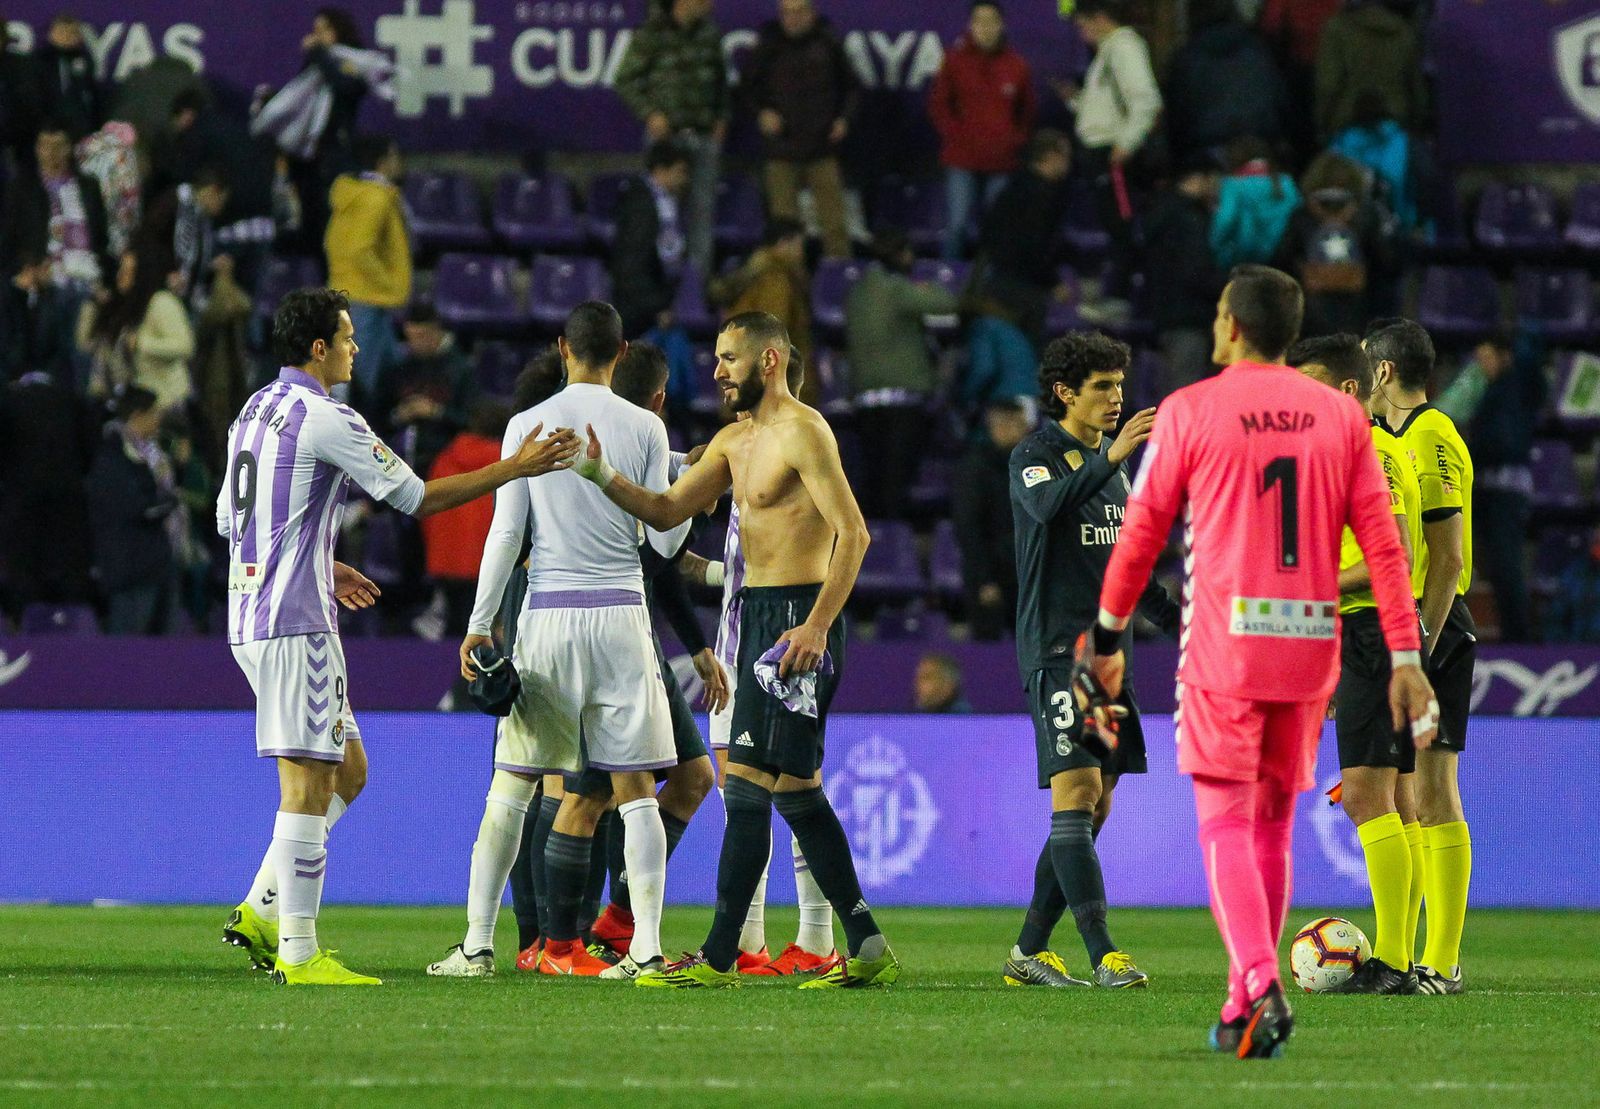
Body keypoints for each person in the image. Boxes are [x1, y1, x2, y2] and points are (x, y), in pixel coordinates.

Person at [1078, 265, 1437, 1057]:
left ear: (1233, 326)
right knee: (1272, 823)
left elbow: (1141, 536)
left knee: (1224, 820)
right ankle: (1243, 999)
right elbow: (1384, 544)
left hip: (1228, 644)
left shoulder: (1192, 409)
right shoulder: (1341, 416)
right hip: (1310, 644)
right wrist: (1407, 654)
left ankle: (1262, 982)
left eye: (1217, 312)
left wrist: (1105, 637)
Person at [218, 287, 578, 986]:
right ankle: (298, 952)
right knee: (307, 780)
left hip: (251, 613)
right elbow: (416, 496)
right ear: (318, 349)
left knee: (348, 770)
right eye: (347, 337)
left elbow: (237, 524)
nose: (357, 347)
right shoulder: (328, 417)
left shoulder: (254, 409)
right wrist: (516, 466)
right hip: (295, 621)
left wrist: (320, 560)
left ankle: (263, 909)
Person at [576, 311, 899, 989]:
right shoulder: (732, 440)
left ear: (769, 360)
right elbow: (666, 512)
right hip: (757, 619)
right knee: (795, 790)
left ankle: (721, 956)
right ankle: (867, 943)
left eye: (729, 358)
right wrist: (601, 474)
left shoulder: (805, 431)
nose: (717, 371)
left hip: (798, 622)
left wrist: (816, 626)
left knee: (749, 784)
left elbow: (855, 534)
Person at [439, 302, 688, 979]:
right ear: (622, 352)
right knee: (637, 791)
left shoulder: (527, 424)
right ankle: (646, 950)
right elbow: (667, 541)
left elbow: (505, 534)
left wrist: (480, 622)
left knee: (512, 786)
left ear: (563, 348)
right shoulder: (646, 426)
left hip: (548, 614)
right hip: (621, 617)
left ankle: (477, 946)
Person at [1002, 331, 1174, 990]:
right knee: (1076, 793)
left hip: (1107, 661)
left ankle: (1027, 951)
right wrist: (1113, 457)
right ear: (1065, 393)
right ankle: (1104, 954)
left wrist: (1185, 624)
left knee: (1095, 805)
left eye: (1119, 386)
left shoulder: (1113, 470)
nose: (1115, 397)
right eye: (1102, 386)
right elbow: (1047, 507)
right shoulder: (1034, 455)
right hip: (1057, 651)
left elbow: (1130, 567)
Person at [562, 342, 722, 980]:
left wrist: (697, 645)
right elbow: (660, 553)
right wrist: (690, 501)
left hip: (626, 631)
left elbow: (661, 567)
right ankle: (559, 940)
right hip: (603, 630)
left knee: (684, 779)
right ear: (658, 399)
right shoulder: (635, 448)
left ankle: (613, 924)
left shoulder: (625, 446)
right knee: (590, 793)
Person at [698, 347, 840, 978]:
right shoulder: (740, 459)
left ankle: (813, 937)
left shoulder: (798, 448)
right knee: (755, 791)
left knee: (785, 786)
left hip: (776, 639)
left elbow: (844, 537)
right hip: (736, 642)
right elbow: (735, 568)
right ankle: (756, 940)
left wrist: (816, 624)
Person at [1289, 332, 1425, 992]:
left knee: (1369, 795)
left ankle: (1395, 959)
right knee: (1395, 797)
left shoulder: (1368, 450)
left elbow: (1391, 550)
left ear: (1346, 390)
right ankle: (1402, 955)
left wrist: (1311, 586)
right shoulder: (1367, 449)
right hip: (1369, 632)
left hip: (1372, 629)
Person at [1366, 317, 1475, 995]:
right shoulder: (1388, 437)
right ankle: (1399, 957)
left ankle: (1443, 959)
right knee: (1403, 795)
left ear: (1382, 371)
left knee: (1434, 791)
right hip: (1400, 627)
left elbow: (1450, 557)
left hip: (1435, 627)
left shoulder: (1432, 434)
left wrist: (1421, 647)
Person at [1433, 335, 1543, 644]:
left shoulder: (1519, 385)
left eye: (1487, 358)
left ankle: (1519, 639)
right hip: (1485, 487)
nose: (1482, 366)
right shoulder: (1486, 389)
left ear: (1505, 356)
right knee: (1485, 565)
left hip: (1506, 489)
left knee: (1507, 566)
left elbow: (1500, 440)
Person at [845, 228, 958, 520]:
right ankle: (894, 540)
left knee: (871, 483)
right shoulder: (895, 287)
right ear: (899, 254)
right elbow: (946, 304)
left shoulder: (857, 292)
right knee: (895, 486)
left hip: (865, 400)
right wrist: (928, 287)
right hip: (901, 402)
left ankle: (872, 542)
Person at [614, 0, 729, 274]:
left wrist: (722, 118)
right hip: (666, 141)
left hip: (703, 138)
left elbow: (722, 82)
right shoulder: (652, 34)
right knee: (661, 213)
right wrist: (650, 114)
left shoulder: (710, 33)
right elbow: (624, 79)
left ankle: (696, 285)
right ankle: (659, 282)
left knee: (702, 216)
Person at [742, 0, 858, 258]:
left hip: (822, 147)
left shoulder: (828, 42)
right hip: (781, 150)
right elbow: (747, 88)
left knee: (835, 226)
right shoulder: (768, 45)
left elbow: (851, 87)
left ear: (811, 14)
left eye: (798, 12)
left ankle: (838, 278)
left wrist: (844, 119)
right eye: (786, 13)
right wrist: (762, 112)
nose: (791, 19)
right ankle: (787, 280)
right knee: (784, 230)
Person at [1063, 0, 1160, 293]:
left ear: (1100, 18)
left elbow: (1147, 101)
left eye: (1083, 25)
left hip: (1115, 157)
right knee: (1114, 226)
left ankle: (1121, 295)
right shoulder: (1107, 51)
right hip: (1102, 155)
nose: (1081, 33)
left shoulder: (1124, 47)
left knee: (1122, 228)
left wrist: (1125, 145)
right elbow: (1105, 108)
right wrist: (1075, 101)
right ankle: (1118, 289)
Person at [928, 1, 1036, 260]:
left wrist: (1013, 140)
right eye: (979, 22)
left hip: (1002, 161)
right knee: (957, 224)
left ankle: (992, 278)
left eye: (991, 22)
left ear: (1001, 25)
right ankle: (949, 278)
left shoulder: (1017, 65)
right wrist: (956, 136)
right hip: (961, 159)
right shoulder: (954, 62)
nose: (985, 29)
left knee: (997, 226)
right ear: (970, 25)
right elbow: (939, 105)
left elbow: (1027, 111)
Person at [0, 362, 95, 622]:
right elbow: (90, 449)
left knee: (24, 568)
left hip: (21, 501)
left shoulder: (8, 401)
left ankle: (24, 627)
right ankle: (72, 628)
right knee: (68, 565)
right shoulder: (73, 400)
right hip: (68, 499)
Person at [86, 387, 180, 635]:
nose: (158, 420)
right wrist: (167, 500)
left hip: (157, 563)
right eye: (154, 413)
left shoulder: (152, 454)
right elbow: (134, 506)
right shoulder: (113, 455)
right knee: (129, 646)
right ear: (138, 415)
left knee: (168, 649)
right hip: (131, 569)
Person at [326, 135, 410, 399]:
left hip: (351, 293)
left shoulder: (352, 194)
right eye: (394, 156)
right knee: (362, 381)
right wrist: (391, 286)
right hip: (367, 298)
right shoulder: (376, 198)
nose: (399, 162)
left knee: (390, 369)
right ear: (382, 162)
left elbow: (331, 241)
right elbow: (360, 249)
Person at [1273, 152, 1393, 338]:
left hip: (1311, 313)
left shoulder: (1302, 214)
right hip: (1357, 312)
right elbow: (1385, 260)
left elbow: (1282, 258)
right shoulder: (1366, 213)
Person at [972, 129, 1072, 348]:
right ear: (1050, 156)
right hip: (1024, 289)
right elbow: (1035, 245)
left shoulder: (1012, 188)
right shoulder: (1043, 197)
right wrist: (1053, 282)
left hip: (997, 281)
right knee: (1026, 353)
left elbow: (988, 233)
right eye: (1065, 156)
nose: (1068, 163)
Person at [1163, 0, 1288, 166]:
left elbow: (1176, 114)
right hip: (1258, 143)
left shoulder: (1187, 58)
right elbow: (1280, 100)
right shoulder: (1259, 51)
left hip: (1205, 149)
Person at [423, 400, 512, 634]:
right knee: (482, 625)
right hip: (486, 558)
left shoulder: (446, 457)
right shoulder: (507, 463)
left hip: (446, 556)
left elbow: (426, 504)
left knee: (452, 623)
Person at [1, 118, 110, 297]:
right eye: (45, 146)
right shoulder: (23, 190)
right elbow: (10, 239)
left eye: (58, 146)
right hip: (43, 275)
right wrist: (28, 266)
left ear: (69, 148)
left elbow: (101, 237)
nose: (51, 153)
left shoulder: (88, 187)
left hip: (86, 272)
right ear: (37, 149)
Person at [77, 249, 195, 412]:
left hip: (166, 402)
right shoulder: (120, 307)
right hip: (132, 401)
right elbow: (85, 345)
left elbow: (184, 346)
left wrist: (141, 343)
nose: (120, 276)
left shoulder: (161, 302)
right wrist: (92, 305)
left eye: (128, 272)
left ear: (141, 275)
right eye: (121, 269)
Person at [370, 302, 475, 480]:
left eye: (421, 336)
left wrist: (436, 412)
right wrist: (398, 415)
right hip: (399, 456)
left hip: (447, 457)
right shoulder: (398, 369)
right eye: (410, 337)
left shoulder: (462, 370)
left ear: (436, 331)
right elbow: (375, 418)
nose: (415, 343)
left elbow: (472, 421)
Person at [951, 399, 1028, 639]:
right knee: (987, 645)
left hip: (1025, 575)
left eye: (1021, 424)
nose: (1021, 431)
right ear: (996, 426)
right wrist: (984, 580)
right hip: (990, 576)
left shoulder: (1029, 465)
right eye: (1014, 424)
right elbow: (968, 528)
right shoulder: (975, 468)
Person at [712, 219, 813, 396]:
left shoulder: (751, 273)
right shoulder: (774, 281)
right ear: (783, 243)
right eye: (798, 245)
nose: (801, 253)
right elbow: (772, 338)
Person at [611, 140, 691, 341]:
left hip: (652, 304)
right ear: (661, 170)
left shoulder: (666, 204)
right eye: (680, 171)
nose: (684, 179)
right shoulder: (641, 206)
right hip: (637, 312)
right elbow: (632, 264)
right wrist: (656, 308)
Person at [1314, 0, 1426, 143]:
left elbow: (1328, 85)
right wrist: (1416, 123)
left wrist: (1322, 124)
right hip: (1395, 124)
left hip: (1347, 122)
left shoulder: (1337, 30)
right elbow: (1416, 88)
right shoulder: (1404, 31)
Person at [136, 165, 231, 311]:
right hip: (161, 292)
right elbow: (149, 241)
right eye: (221, 201)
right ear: (213, 191)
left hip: (186, 296)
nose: (220, 208)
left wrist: (210, 264)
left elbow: (193, 256)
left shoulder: (202, 217)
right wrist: (165, 275)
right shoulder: (172, 203)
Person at [1209, 139, 1300, 273]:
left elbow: (1225, 220)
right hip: (1284, 257)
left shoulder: (1233, 185)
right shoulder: (1286, 182)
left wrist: (1213, 246)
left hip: (1245, 259)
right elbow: (1297, 213)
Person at [33, 14, 102, 140]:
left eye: (73, 33)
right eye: (63, 32)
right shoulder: (39, 60)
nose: (67, 37)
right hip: (48, 129)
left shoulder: (84, 59)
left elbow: (92, 93)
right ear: (51, 34)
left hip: (79, 126)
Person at [1547, 526, 1600, 644]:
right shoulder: (1573, 575)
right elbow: (1556, 617)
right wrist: (1559, 646)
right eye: (1597, 542)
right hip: (1577, 647)